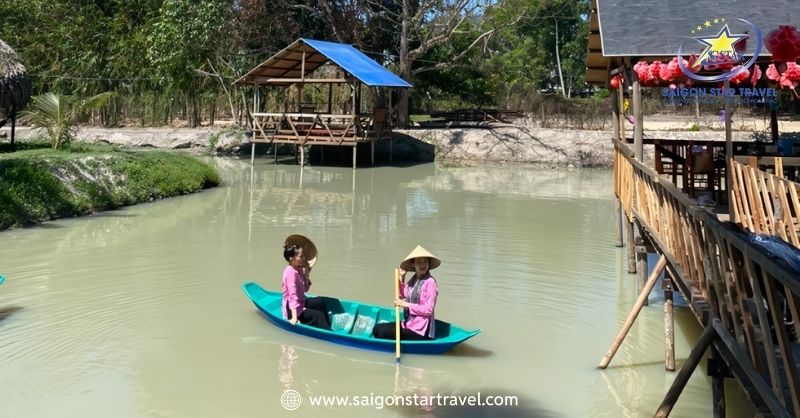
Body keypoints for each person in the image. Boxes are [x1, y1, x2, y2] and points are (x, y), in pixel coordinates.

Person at [373, 245, 439, 340]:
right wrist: (402, 278)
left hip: (421, 330)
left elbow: (428, 310)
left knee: (381, 331)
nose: (423, 265)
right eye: (419, 262)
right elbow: (403, 295)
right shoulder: (414, 280)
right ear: (413, 264)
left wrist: (406, 304)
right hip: (409, 324)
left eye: (425, 262)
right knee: (377, 328)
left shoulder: (430, 282)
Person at [282, 243, 331, 330]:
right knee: (318, 316)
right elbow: (293, 296)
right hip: (292, 309)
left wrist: (306, 274)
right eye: (300, 256)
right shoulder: (290, 273)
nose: (303, 259)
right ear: (291, 258)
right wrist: (294, 318)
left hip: (301, 301)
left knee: (320, 301)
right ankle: (328, 334)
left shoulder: (299, 269)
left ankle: (327, 327)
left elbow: (305, 290)